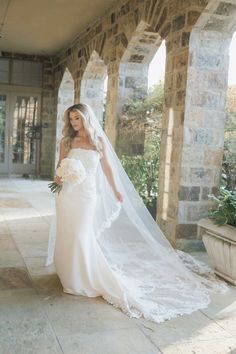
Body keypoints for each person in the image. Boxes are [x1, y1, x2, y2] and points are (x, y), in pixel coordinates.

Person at [46, 103, 227, 323]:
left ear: (86, 118)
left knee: (81, 235)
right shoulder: (66, 141)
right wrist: (60, 176)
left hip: (86, 196)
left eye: (78, 118)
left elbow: (108, 169)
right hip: (67, 195)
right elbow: (60, 165)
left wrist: (116, 191)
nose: (74, 123)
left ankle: (84, 278)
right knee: (68, 233)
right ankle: (68, 274)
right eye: (71, 119)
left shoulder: (98, 141)